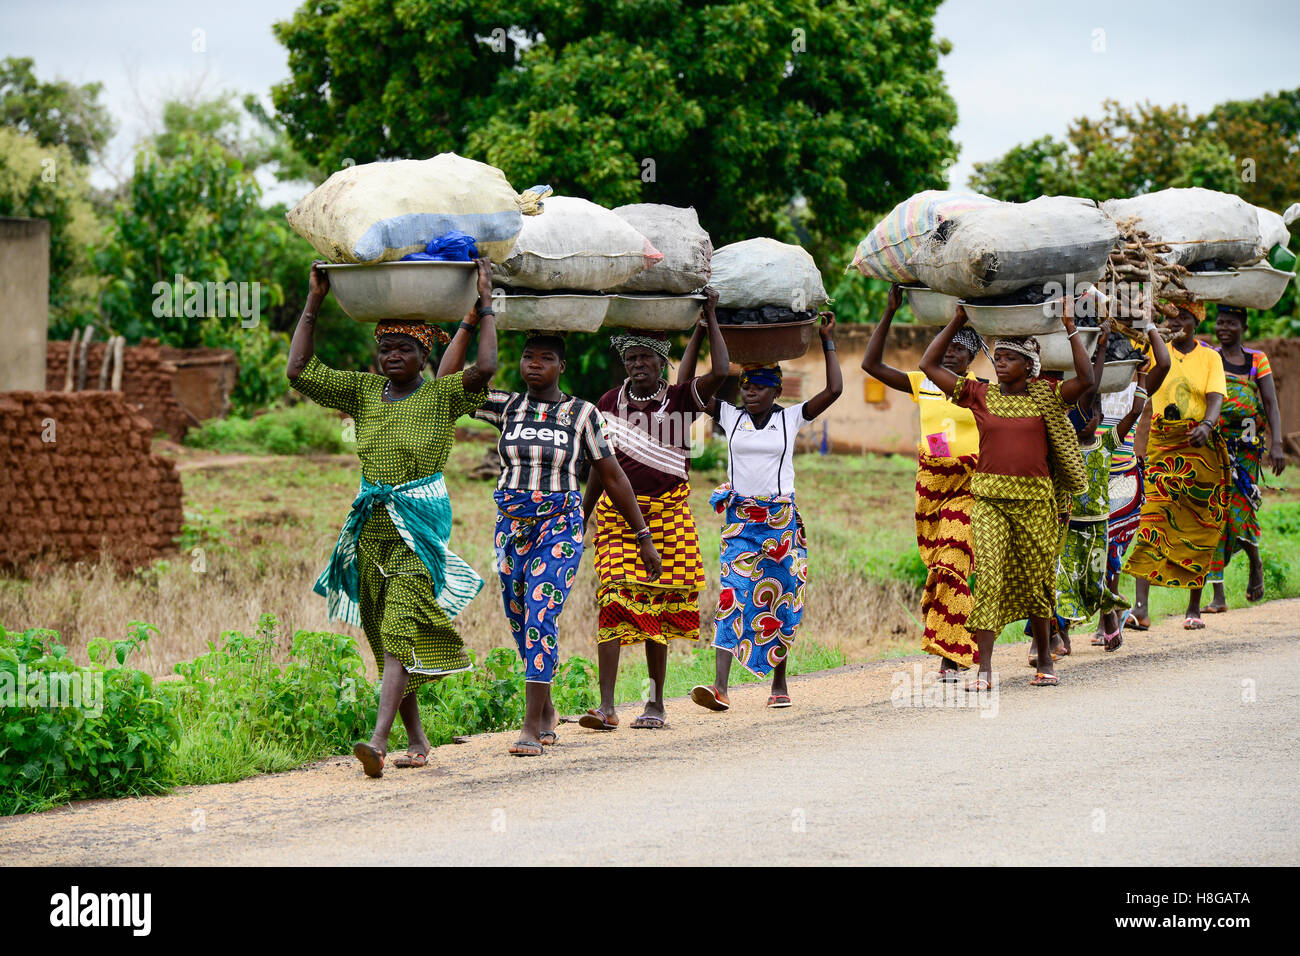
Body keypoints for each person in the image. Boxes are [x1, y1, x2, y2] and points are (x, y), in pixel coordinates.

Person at [287, 258, 498, 778]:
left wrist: (485, 304)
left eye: (405, 348)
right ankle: (419, 740)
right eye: (385, 348)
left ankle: (378, 743)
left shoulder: (441, 396)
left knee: (403, 625)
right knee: (383, 638)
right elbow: (298, 372)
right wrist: (314, 299)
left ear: (426, 355)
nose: (393, 356)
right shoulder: (362, 392)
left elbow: (487, 368)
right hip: (370, 531)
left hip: (419, 529)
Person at [458, 333, 662, 755]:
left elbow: (612, 477)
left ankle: (531, 727)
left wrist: (643, 536)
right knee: (517, 617)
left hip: (560, 526)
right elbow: (446, 385)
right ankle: (546, 707)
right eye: (528, 357)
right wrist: (473, 321)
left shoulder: (582, 414)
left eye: (546, 358)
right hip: (510, 526)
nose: (534, 365)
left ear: (562, 367)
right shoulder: (506, 406)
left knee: (540, 614)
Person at [920, 300, 1093, 689]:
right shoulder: (979, 394)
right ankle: (984, 670)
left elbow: (1086, 380)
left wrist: (1070, 325)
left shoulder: (1046, 395)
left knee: (1036, 580)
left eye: (1010, 358)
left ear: (1029, 366)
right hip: (990, 503)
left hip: (1035, 503)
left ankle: (1045, 658)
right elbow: (928, 367)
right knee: (991, 579)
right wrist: (957, 320)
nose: (999, 363)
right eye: (997, 356)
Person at [578, 291, 730, 730]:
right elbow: (598, 467)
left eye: (646, 358)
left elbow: (720, 371)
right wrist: (582, 515)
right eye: (631, 359)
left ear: (662, 361)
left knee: (656, 609)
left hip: (669, 517)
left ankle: (655, 704)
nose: (638, 365)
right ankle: (606, 707)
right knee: (612, 599)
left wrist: (710, 318)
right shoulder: (607, 403)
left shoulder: (682, 399)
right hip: (617, 519)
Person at [690, 312, 842, 712]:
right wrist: (701, 333)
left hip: (779, 524)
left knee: (779, 600)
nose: (750, 393)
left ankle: (779, 682)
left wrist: (828, 340)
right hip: (740, 522)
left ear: (776, 391)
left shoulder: (790, 419)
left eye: (759, 387)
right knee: (731, 596)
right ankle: (720, 688)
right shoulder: (730, 417)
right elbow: (687, 389)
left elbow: (835, 390)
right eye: (745, 386)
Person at [861, 283, 983, 679]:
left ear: (973, 357)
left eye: (959, 349)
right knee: (938, 566)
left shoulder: (984, 393)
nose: (949, 355)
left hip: (968, 489)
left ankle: (953, 653)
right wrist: (890, 311)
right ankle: (953, 641)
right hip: (930, 489)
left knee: (952, 562)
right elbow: (872, 366)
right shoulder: (924, 384)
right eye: (943, 348)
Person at [1055, 320, 1168, 653]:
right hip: (1084, 483)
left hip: (1121, 481)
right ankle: (1104, 620)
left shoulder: (1132, 384)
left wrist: (1147, 327)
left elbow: (1164, 363)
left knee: (1108, 554)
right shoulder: (1086, 392)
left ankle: (1107, 621)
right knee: (1082, 558)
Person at [1124, 302, 1231, 630]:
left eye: (1185, 316)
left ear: (1197, 320)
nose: (1178, 322)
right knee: (1151, 520)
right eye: (1172, 317)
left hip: (1201, 446)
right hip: (1162, 444)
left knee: (1198, 525)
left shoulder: (1210, 357)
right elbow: (1130, 346)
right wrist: (1141, 311)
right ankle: (1140, 609)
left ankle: (1194, 609)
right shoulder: (1155, 350)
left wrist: (1208, 425)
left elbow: (1216, 397)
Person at [1199, 304, 1286, 611]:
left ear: (1243, 327)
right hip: (1215, 448)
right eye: (1220, 322)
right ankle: (1218, 596)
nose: (1224, 328)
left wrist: (1277, 444)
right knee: (1215, 518)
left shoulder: (1255, 360)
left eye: (1231, 323)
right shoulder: (1210, 357)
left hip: (1246, 453)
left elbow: (1271, 404)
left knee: (1240, 516)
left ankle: (1255, 562)